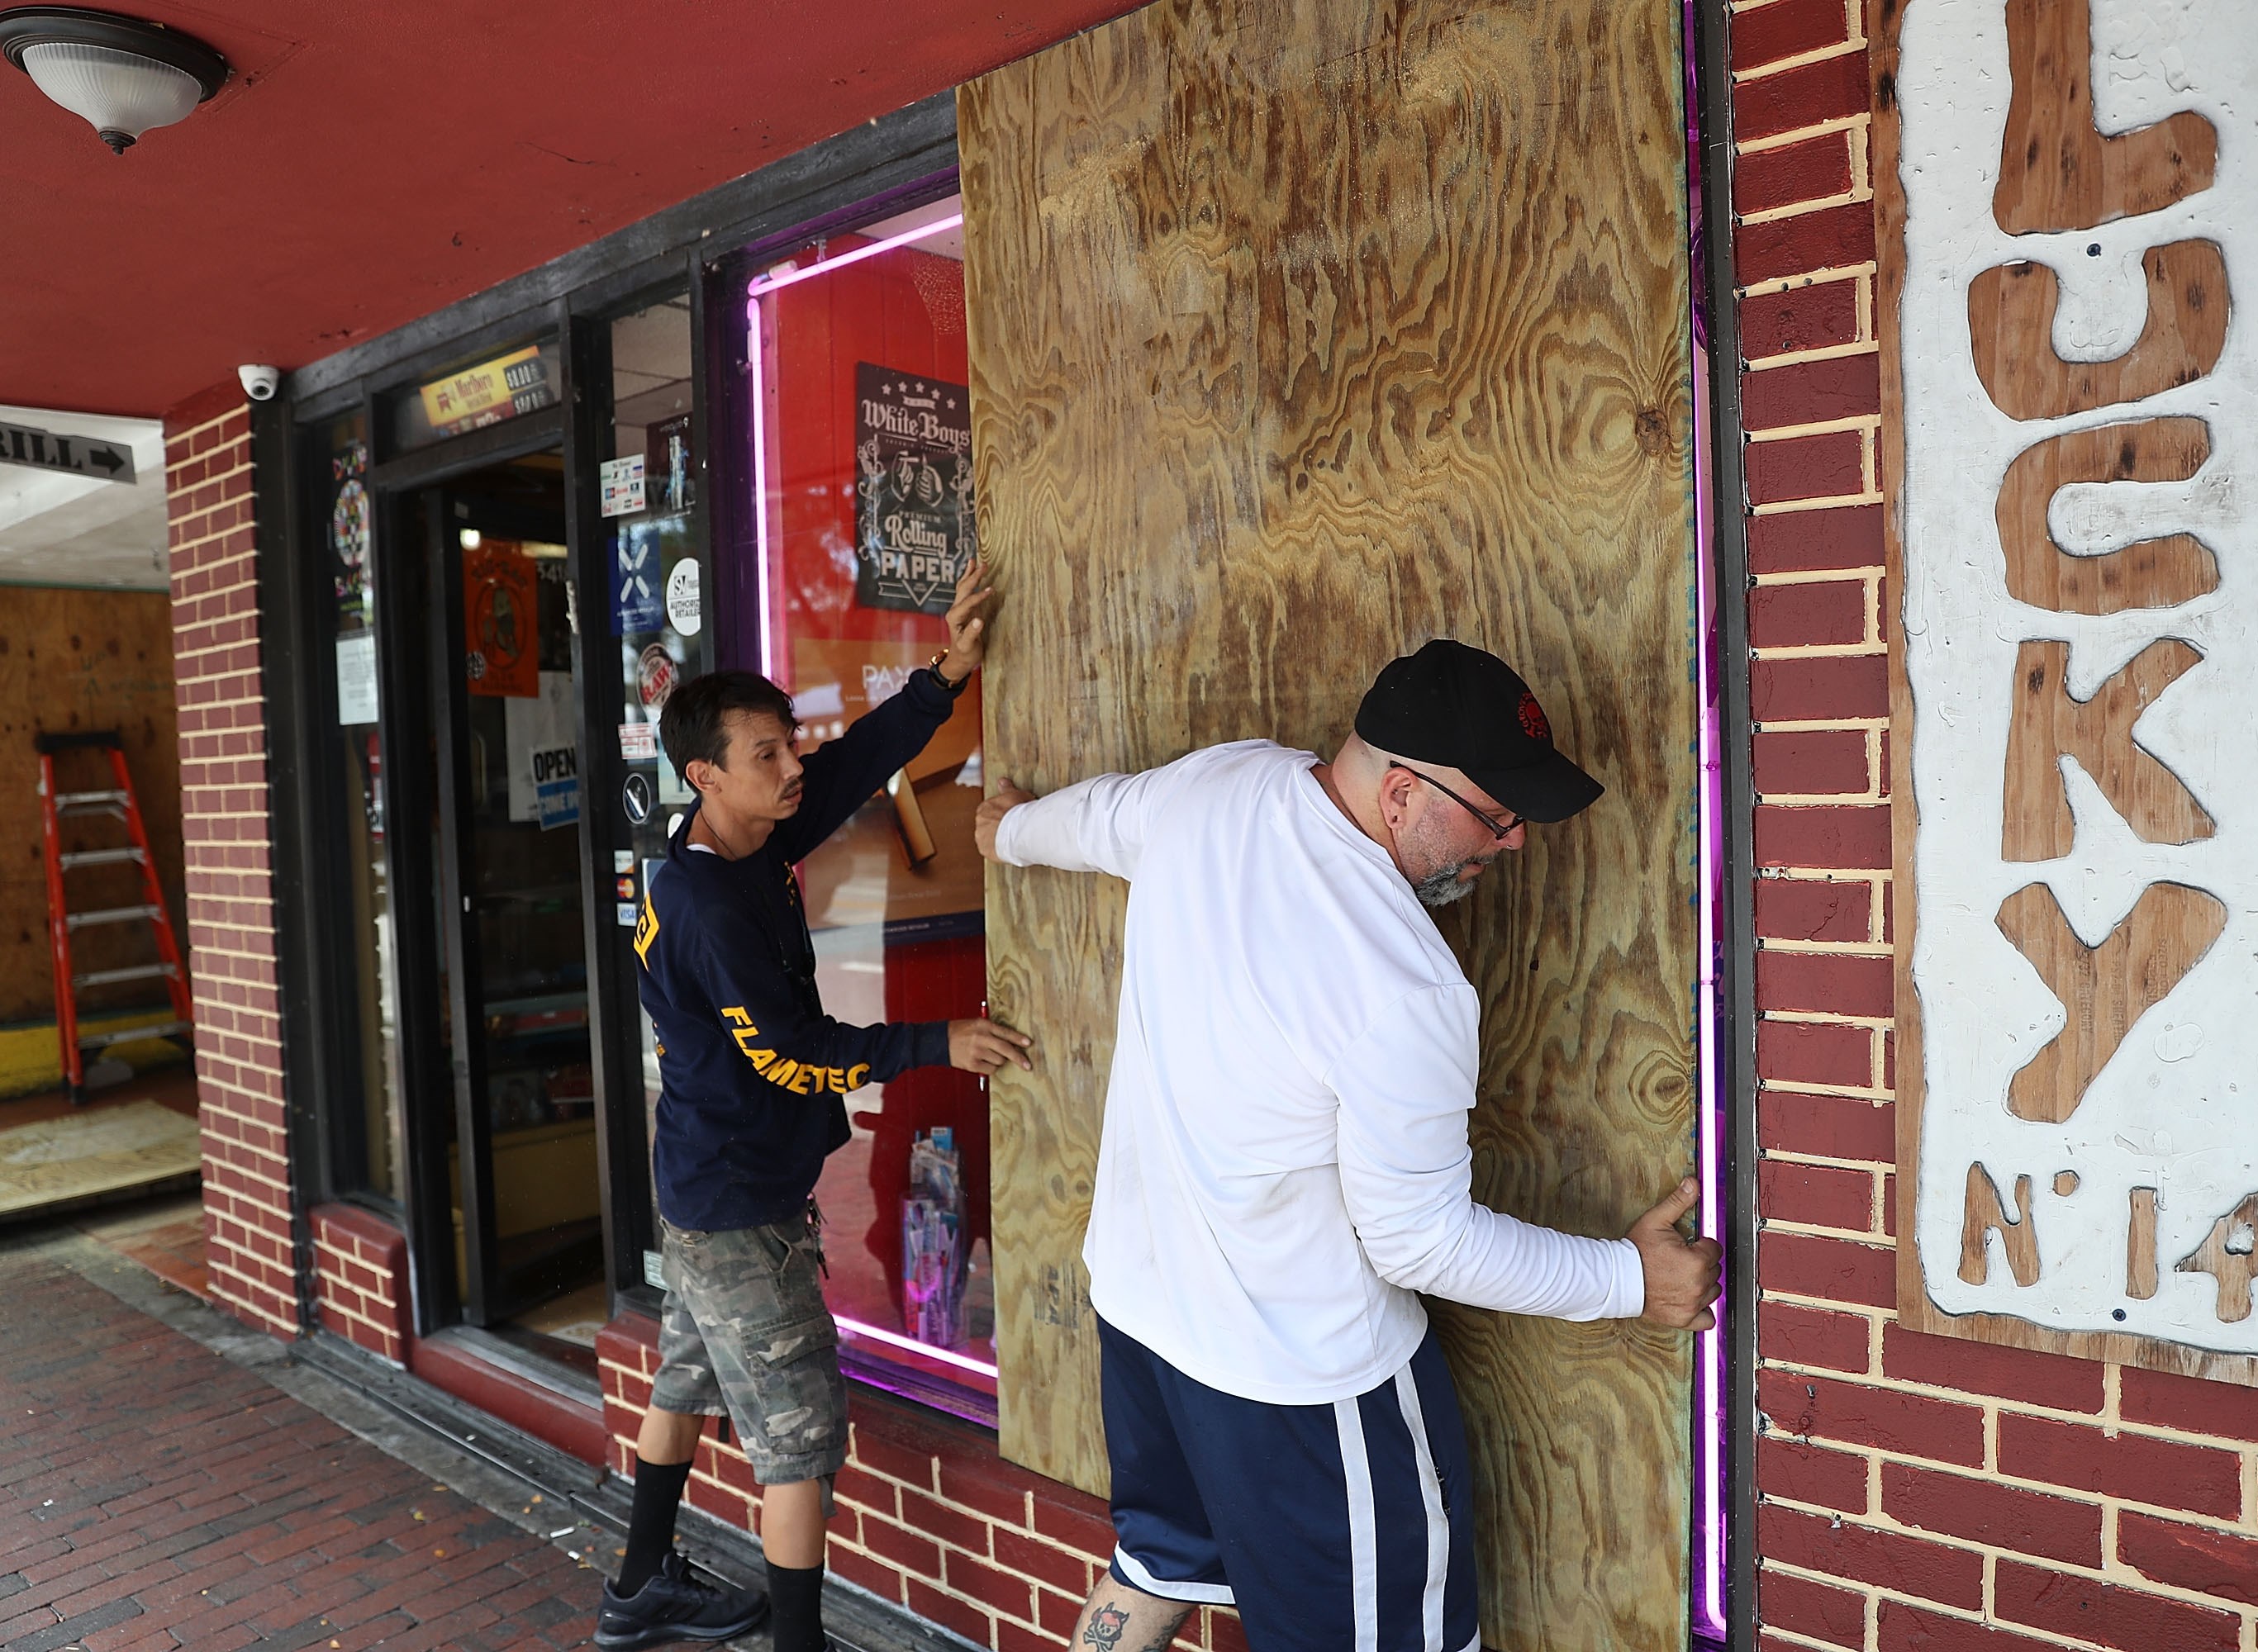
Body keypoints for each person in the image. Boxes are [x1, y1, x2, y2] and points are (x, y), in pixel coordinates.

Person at [974, 638, 1721, 1652]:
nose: (1510, 844)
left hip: (1144, 1321)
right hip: (1303, 1391)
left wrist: (1007, 830)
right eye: (1497, 817)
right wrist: (1632, 1279)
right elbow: (1418, 1243)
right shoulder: (1403, 981)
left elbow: (1097, 818)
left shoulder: (1224, 780)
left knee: (1154, 1567)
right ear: (1404, 793)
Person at [601, 562, 1034, 1652]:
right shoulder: (710, 907)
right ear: (704, 775)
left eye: (786, 740)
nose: (791, 764)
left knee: (687, 1375)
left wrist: (946, 677)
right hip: (742, 1207)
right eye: (765, 755)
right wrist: (937, 1044)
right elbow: (792, 1057)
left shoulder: (741, 841)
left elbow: (845, 774)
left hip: (706, 1187)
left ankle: (639, 1585)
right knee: (800, 1439)